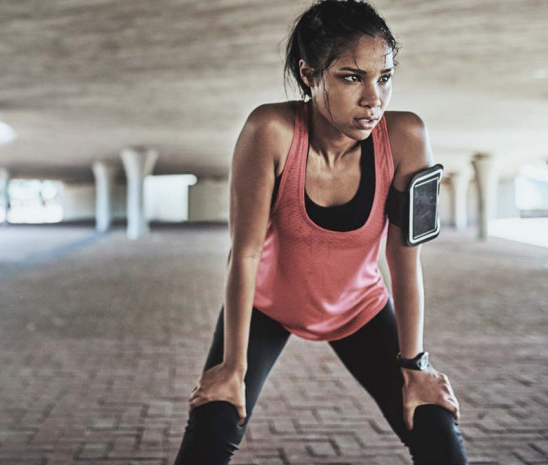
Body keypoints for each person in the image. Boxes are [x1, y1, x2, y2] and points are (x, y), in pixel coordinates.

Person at [173, 1, 470, 463]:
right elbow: (245, 254)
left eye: (385, 77)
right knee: (212, 425)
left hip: (360, 307)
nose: (374, 98)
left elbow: (404, 257)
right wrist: (232, 367)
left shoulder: (408, 136)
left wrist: (415, 366)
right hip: (267, 306)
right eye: (352, 77)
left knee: (434, 425)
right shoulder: (270, 130)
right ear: (309, 74)